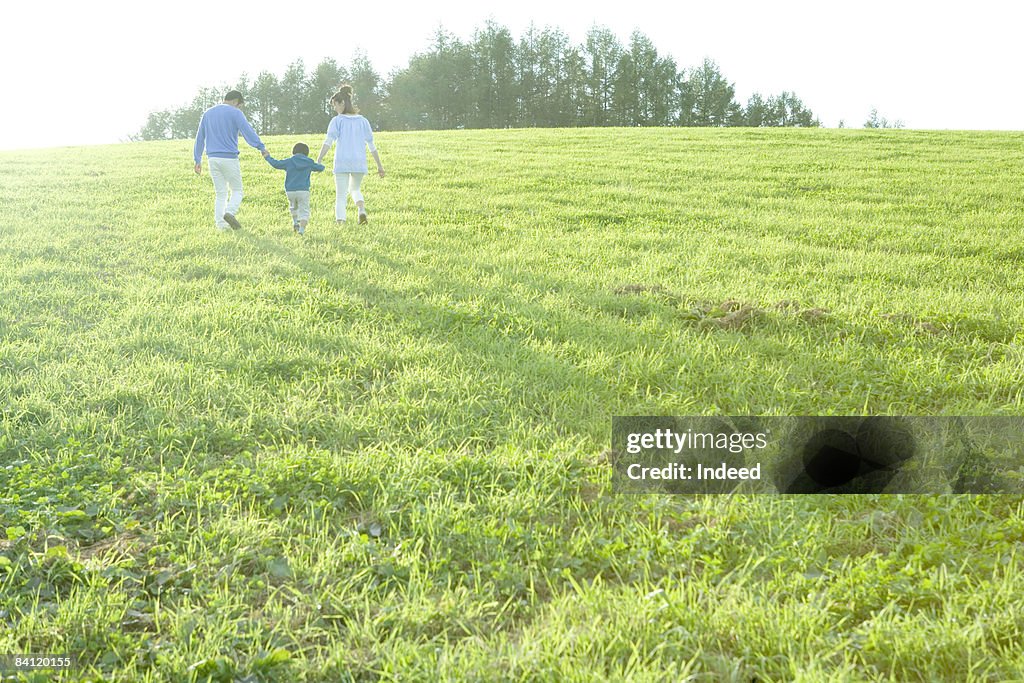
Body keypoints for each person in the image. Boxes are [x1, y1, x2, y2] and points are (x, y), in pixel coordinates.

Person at [193, 90, 266, 231]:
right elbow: (247, 131)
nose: (239, 108)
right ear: (235, 101)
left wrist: (197, 160)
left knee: (221, 193)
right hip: (229, 158)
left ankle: (221, 225)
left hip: (212, 158)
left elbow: (199, 137)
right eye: (239, 105)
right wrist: (260, 147)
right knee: (237, 190)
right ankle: (230, 212)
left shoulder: (208, 113)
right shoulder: (235, 112)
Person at [316, 85, 385, 224]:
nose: (335, 109)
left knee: (341, 195)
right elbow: (371, 145)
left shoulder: (337, 121)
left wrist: (319, 159)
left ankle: (340, 222)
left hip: (342, 161)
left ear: (342, 103)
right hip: (359, 162)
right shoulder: (363, 121)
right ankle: (361, 210)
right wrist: (379, 166)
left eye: (335, 105)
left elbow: (328, 142)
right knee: (355, 189)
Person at [261, 143, 326, 235]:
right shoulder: (309, 162)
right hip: (303, 190)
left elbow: (276, 164)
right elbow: (321, 168)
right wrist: (319, 162)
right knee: (304, 211)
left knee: (293, 207)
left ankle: (295, 222)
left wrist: (267, 157)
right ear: (306, 153)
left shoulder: (289, 161)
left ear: (294, 151)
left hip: (290, 190)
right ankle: (302, 230)